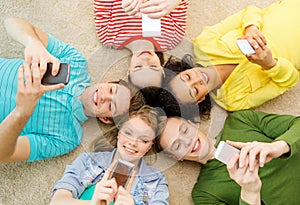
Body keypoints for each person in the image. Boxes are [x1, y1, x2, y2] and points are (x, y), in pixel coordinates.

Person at [0, 17, 145, 163]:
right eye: (112, 90)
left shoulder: (68, 138)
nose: (104, 97)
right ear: (106, 82)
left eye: (111, 105)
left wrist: (22, 111)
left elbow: (3, 154)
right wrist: (32, 42)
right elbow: (11, 22)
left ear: (105, 119)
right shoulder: (75, 62)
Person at [166, 0, 300, 112]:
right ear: (200, 99)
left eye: (187, 77)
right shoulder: (234, 101)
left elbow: (250, 11)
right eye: (195, 90)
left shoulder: (203, 44)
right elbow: (289, 81)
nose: (198, 80)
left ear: (183, 70)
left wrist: (251, 28)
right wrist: (269, 64)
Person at [155, 109, 300, 204]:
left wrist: (278, 147)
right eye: (177, 145)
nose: (187, 141)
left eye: (185, 130)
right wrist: (250, 191)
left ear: (193, 124)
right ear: (177, 157)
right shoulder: (204, 194)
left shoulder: (238, 121)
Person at [50, 105, 169, 205]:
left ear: (150, 146)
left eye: (144, 140)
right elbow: (57, 201)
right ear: (119, 132)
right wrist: (93, 203)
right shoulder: (88, 161)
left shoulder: (156, 181)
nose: (133, 143)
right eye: (128, 133)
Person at [94, 0, 188, 88]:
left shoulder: (108, 36)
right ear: (162, 70)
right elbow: (182, 3)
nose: (145, 59)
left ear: (129, 71)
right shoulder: (173, 37)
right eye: (153, 67)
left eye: (138, 67)